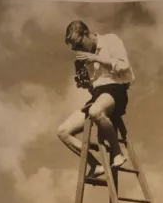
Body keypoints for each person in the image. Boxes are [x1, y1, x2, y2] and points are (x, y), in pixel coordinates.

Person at [57, 20, 135, 177]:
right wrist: (86, 84)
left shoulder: (110, 40)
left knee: (95, 111)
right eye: (73, 47)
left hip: (116, 89)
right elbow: (94, 86)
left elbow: (124, 65)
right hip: (98, 95)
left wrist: (96, 58)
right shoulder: (84, 58)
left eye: (77, 44)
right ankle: (95, 165)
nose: (76, 49)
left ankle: (118, 153)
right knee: (63, 132)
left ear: (86, 34)